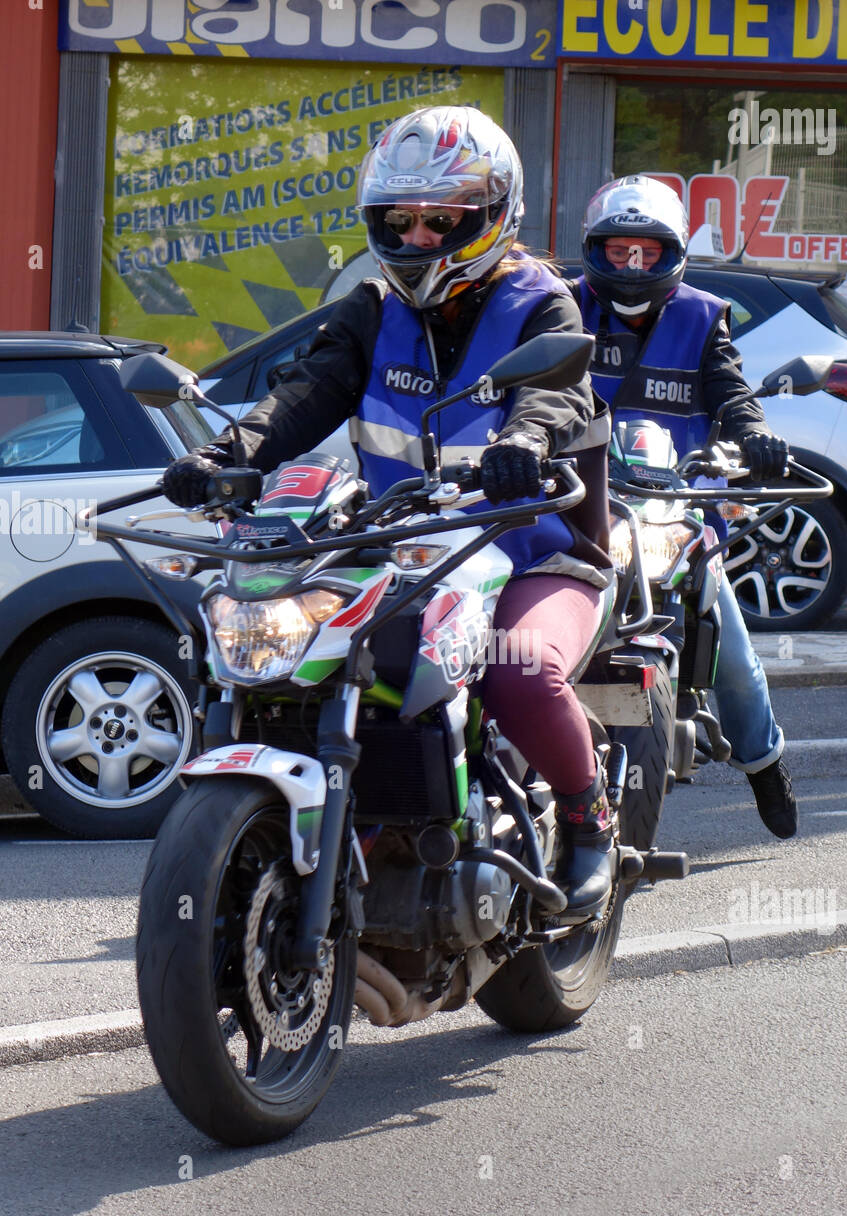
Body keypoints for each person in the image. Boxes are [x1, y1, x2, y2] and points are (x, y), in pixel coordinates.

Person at [161, 106, 618, 920]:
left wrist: (524, 441)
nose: (415, 239)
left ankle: (588, 821)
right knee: (310, 657)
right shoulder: (371, 311)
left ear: (492, 214)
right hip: (403, 543)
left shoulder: (544, 305)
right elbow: (304, 395)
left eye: (440, 219)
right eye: (396, 221)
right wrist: (224, 460)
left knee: (519, 669)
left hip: (533, 549)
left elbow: (553, 393)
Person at [573, 173, 797, 839]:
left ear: (671, 255)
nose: (633, 265)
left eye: (647, 251)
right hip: (580, 508)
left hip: (671, 512)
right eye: (619, 252)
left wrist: (753, 435)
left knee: (731, 653)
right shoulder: (559, 307)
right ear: (596, 251)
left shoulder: (703, 316)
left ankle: (764, 764)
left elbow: (731, 392)